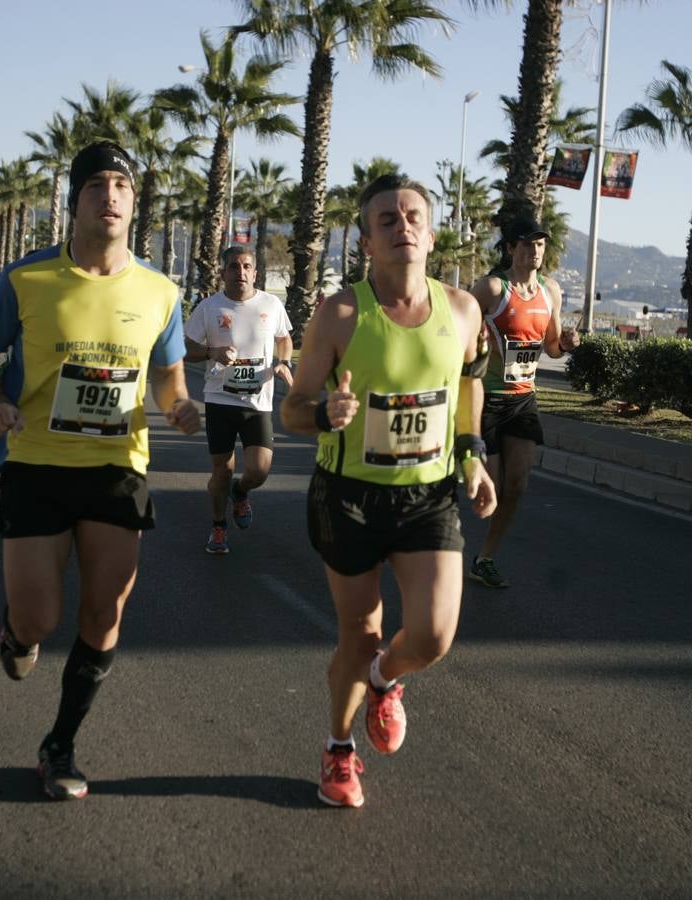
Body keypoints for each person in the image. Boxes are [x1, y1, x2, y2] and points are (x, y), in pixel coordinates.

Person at [0, 141, 200, 801]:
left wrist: (178, 406)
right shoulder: (27, 278)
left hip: (117, 467)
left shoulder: (160, 291)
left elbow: (168, 375)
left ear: (134, 202)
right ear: (75, 201)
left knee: (104, 611)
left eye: (122, 185)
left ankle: (60, 744)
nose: (111, 196)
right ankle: (17, 632)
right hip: (36, 463)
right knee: (39, 619)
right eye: (97, 184)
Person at [282, 174, 497, 808]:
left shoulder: (463, 310)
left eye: (412, 217)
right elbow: (291, 409)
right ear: (366, 242)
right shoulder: (339, 314)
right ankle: (339, 749)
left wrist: (473, 455)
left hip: (428, 496)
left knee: (432, 636)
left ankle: (383, 680)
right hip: (349, 495)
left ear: (430, 235)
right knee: (360, 633)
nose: (401, 226)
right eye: (386, 219)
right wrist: (324, 414)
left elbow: (469, 384)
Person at [466, 219, 580, 589]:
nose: (535, 251)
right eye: (527, 244)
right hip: (486, 399)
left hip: (523, 400)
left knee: (517, 486)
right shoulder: (492, 288)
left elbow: (552, 347)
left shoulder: (551, 291)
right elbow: (458, 325)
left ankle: (485, 559)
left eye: (540, 244)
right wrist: (473, 342)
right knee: (492, 489)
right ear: (511, 248)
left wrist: (566, 345)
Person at [183, 245, 294, 554]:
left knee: (259, 471)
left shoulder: (271, 304)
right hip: (220, 399)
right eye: (234, 266)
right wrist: (212, 352)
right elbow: (186, 347)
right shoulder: (209, 308)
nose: (240, 272)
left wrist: (284, 362)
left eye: (246, 267)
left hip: (258, 401)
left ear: (255, 273)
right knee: (221, 470)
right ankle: (218, 527)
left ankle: (240, 491)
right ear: (224, 272)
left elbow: (284, 338)